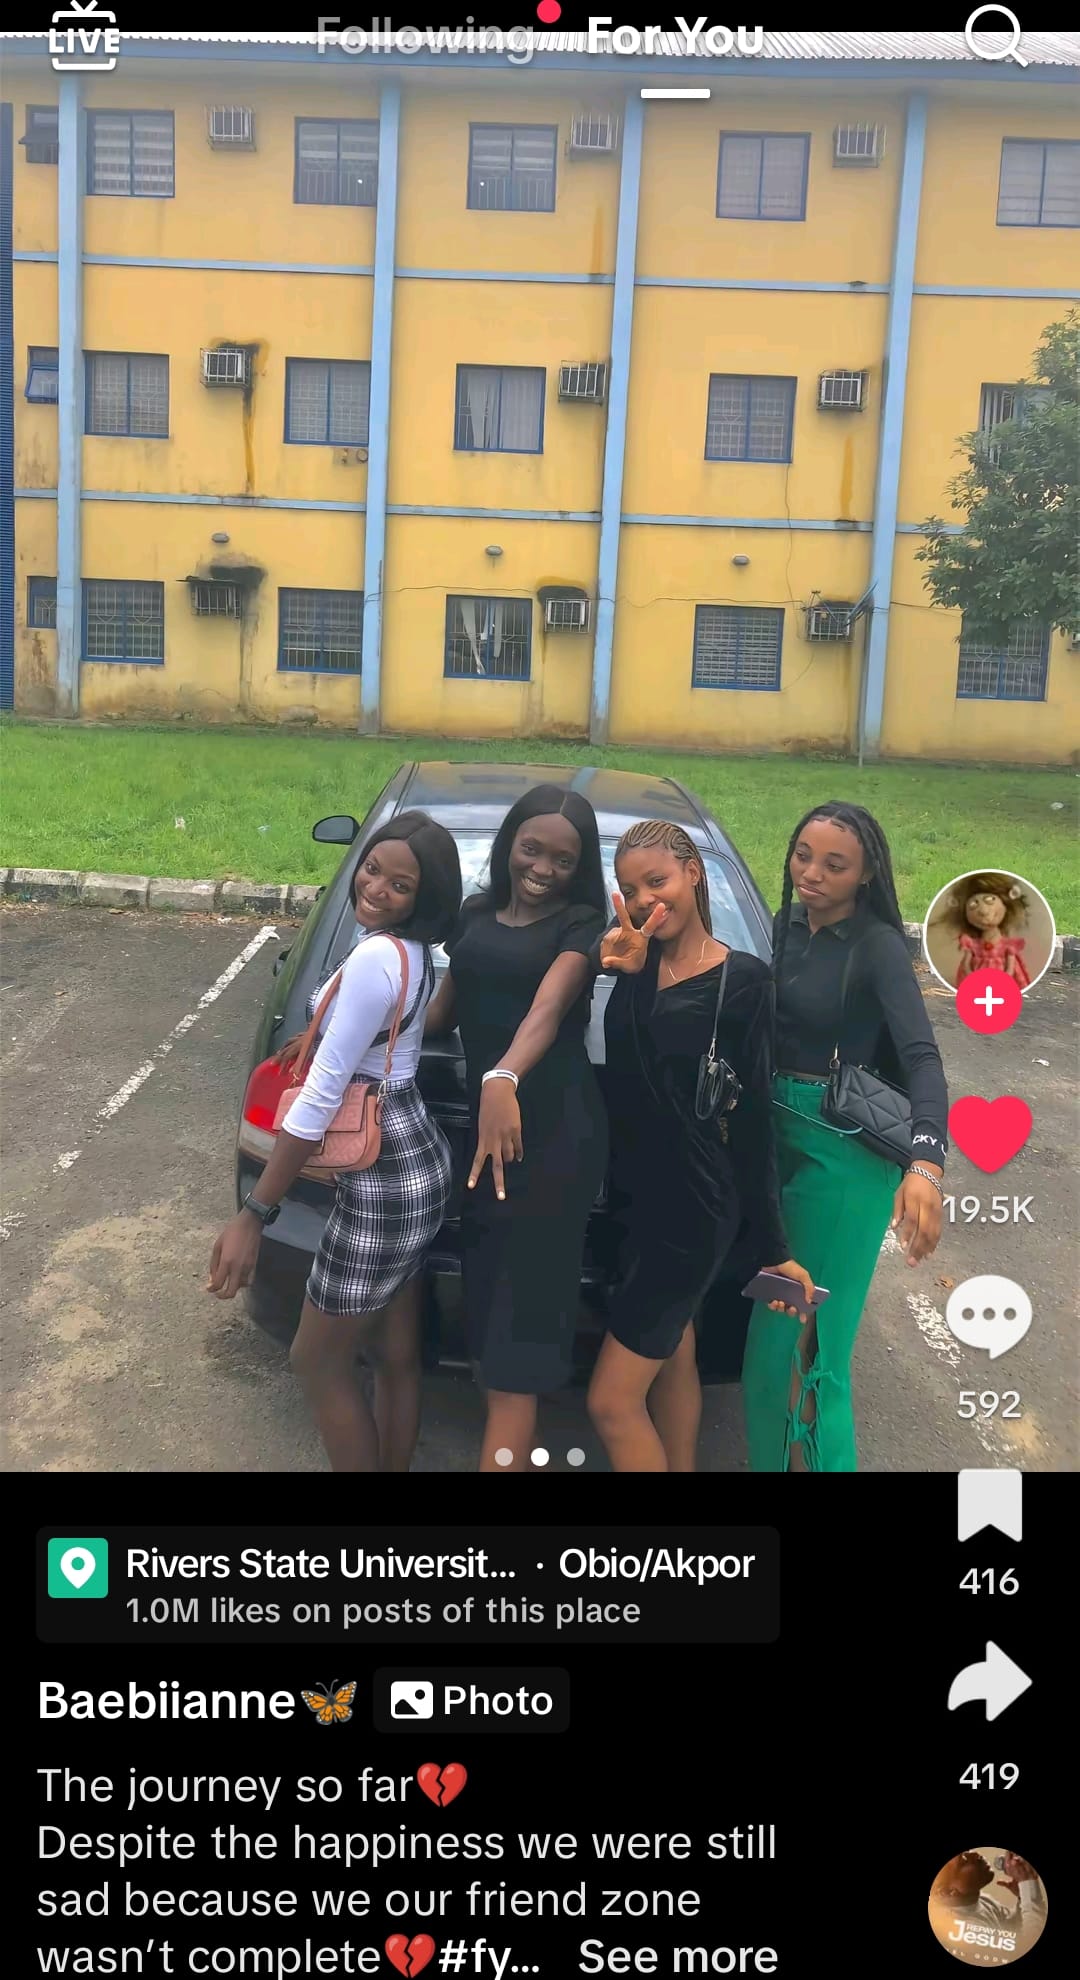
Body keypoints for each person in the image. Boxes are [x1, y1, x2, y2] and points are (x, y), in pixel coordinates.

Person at [207, 811, 462, 1473]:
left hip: (382, 1179)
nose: (375, 888)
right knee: (394, 1355)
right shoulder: (409, 951)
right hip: (416, 1160)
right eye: (371, 869)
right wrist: (318, 1034)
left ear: (424, 898)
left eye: (400, 885)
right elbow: (395, 1028)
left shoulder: (378, 956)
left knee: (315, 1359)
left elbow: (320, 1102)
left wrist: (253, 1213)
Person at [587, 820, 814, 1473]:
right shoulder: (636, 963)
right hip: (635, 1198)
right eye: (630, 889)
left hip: (692, 1208)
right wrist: (623, 968)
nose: (643, 900)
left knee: (610, 1402)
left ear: (693, 873)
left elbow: (754, 1120)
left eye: (656, 881)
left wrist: (773, 1247)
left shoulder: (743, 982)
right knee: (675, 1352)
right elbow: (631, 1077)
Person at [741, 800, 949, 1473]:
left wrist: (926, 1163)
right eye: (803, 856)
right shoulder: (782, 928)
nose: (812, 874)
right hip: (775, 1140)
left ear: (866, 875)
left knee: (799, 1353)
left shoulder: (876, 946)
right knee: (780, 1357)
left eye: (835, 865)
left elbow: (922, 1058)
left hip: (840, 1157)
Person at [424, 785, 609, 1472]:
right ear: (510, 844)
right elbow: (441, 1013)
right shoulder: (474, 916)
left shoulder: (581, 925)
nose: (543, 868)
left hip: (552, 1137)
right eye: (532, 849)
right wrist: (343, 1024)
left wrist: (502, 1075)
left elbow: (548, 1010)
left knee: (517, 1340)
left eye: (564, 859)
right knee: (489, 1310)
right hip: (486, 1136)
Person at [930, 1851, 1047, 1960]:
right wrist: (1027, 1882)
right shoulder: (962, 1930)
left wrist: (1023, 1896)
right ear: (946, 1892)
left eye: (968, 1851)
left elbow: (1010, 1927)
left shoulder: (979, 1899)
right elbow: (1025, 1946)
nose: (976, 1855)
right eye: (964, 1860)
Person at [940, 872, 1032, 987]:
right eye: (973, 905)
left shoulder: (1008, 946)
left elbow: (1010, 969)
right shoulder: (972, 945)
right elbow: (966, 966)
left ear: (1006, 905)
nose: (983, 911)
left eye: (989, 900)